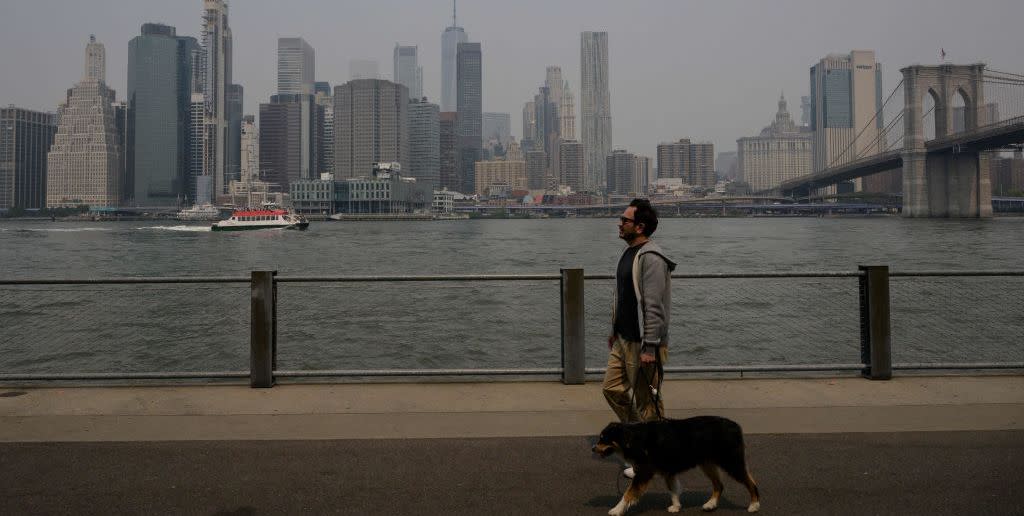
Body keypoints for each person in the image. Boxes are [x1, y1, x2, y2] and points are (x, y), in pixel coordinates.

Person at [603, 199, 676, 477]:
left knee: (649, 405)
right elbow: (622, 298)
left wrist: (650, 347)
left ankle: (654, 457)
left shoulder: (651, 258)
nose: (620, 223)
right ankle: (640, 442)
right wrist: (613, 331)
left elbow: (654, 307)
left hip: (643, 345)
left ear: (640, 226)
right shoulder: (627, 253)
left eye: (625, 220)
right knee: (611, 389)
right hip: (623, 340)